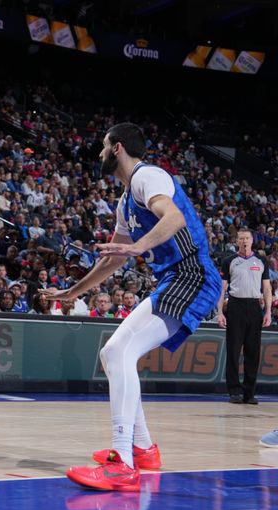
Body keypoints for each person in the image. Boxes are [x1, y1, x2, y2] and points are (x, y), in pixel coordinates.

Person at [43, 123, 222, 491]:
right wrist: (71, 292)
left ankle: (123, 461)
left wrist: (139, 248)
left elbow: (173, 217)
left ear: (118, 148)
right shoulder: (126, 201)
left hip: (192, 276)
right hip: (176, 280)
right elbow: (111, 260)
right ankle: (142, 449)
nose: (99, 153)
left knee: (119, 351)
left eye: (104, 147)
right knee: (113, 354)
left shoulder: (148, 177)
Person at [218, 227, 272, 405]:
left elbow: (266, 288)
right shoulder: (229, 261)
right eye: (241, 238)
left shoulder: (261, 260)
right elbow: (222, 289)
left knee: (253, 352)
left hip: (255, 307)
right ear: (237, 241)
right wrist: (220, 313)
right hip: (235, 306)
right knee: (233, 350)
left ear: (252, 240)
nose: (244, 241)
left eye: (247, 238)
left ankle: (249, 393)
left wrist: (268, 312)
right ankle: (234, 391)